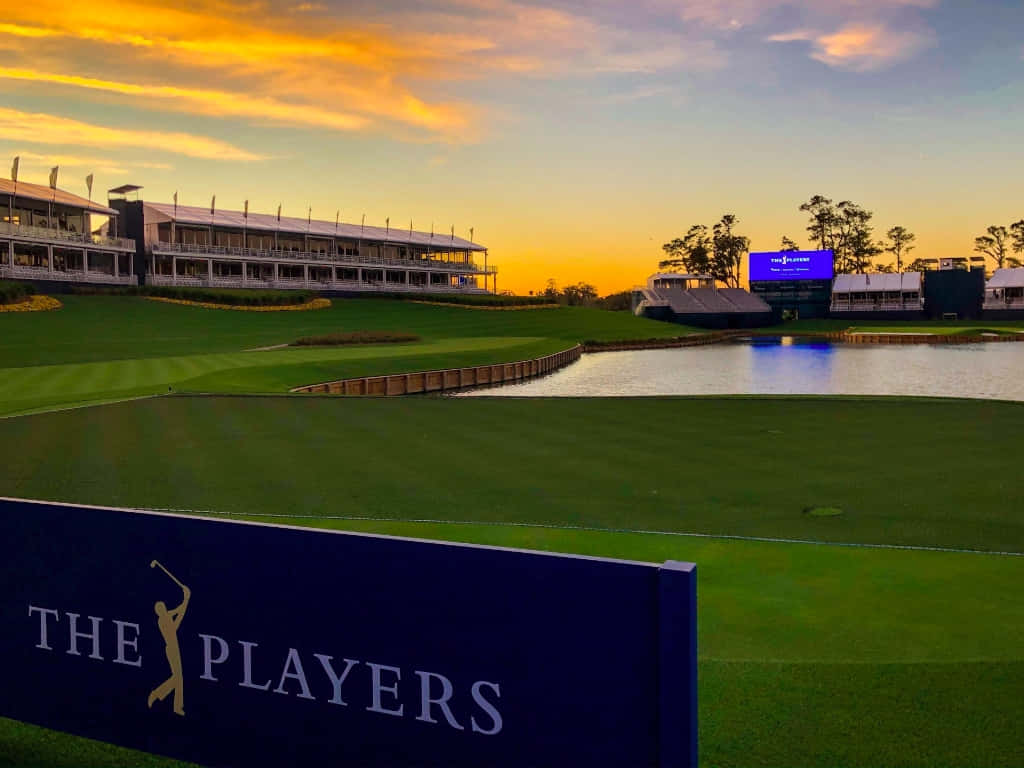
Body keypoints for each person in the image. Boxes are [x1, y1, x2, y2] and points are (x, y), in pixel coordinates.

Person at [147, 581, 191, 716]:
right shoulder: (163, 621)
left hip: (174, 648)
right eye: (162, 608)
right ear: (159, 611)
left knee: (178, 678)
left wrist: (186, 598)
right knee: (178, 678)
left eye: (164, 606)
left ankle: (174, 704)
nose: (164, 608)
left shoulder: (166, 618)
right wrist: (186, 598)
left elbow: (179, 613)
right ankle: (159, 694)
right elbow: (179, 614)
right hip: (171, 650)